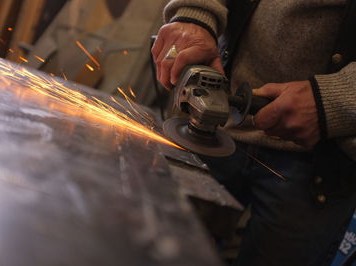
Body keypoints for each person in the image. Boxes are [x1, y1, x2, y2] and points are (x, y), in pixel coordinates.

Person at [152, 0, 356, 265]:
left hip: (322, 163)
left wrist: (336, 99)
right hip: (215, 131)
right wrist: (195, 14)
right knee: (154, 247)